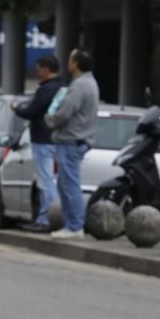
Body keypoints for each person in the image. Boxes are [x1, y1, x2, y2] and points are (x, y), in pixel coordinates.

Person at [45, 48, 100, 240]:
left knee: (70, 185)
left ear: (76, 64)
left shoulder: (80, 85)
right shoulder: (91, 83)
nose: (67, 63)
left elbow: (65, 112)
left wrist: (49, 120)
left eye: (70, 59)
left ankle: (75, 226)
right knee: (64, 184)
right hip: (77, 140)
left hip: (71, 140)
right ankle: (71, 224)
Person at [11, 55, 62, 233]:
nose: (37, 72)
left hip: (42, 139)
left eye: (39, 68)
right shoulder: (61, 89)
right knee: (51, 180)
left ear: (47, 69)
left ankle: (46, 219)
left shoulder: (45, 90)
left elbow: (32, 111)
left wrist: (17, 108)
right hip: (56, 139)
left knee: (45, 180)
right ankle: (46, 217)